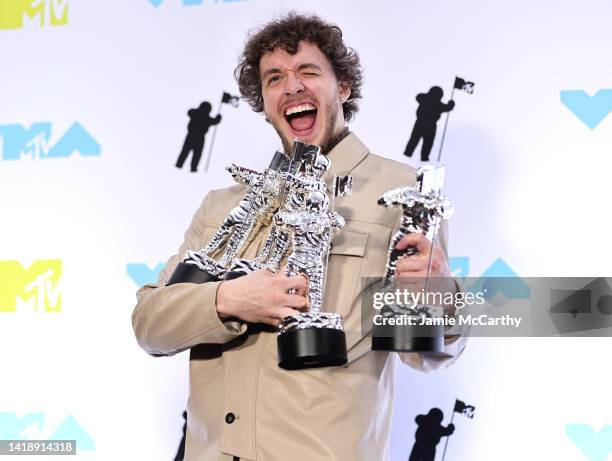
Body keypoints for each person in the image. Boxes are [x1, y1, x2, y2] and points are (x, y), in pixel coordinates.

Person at [132, 13, 466, 461]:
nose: (291, 86)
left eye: (308, 71)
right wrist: (226, 301)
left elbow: (424, 354)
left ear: (342, 87)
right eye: (274, 78)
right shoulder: (222, 205)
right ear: (265, 101)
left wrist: (442, 300)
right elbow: (151, 324)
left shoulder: (401, 195)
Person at [403, 86, 455, 161]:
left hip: (422, 122)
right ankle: (421, 156)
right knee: (425, 142)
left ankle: (410, 153)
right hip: (428, 124)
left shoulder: (426, 99)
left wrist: (450, 105)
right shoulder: (436, 103)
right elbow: (447, 108)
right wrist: (451, 104)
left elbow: (418, 97)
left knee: (418, 140)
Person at [175, 101, 222, 172]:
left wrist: (218, 118)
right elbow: (214, 121)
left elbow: (214, 121)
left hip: (196, 136)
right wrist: (218, 118)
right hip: (194, 135)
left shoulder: (201, 116)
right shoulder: (202, 116)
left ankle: (188, 166)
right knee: (190, 152)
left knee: (194, 153)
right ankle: (185, 166)